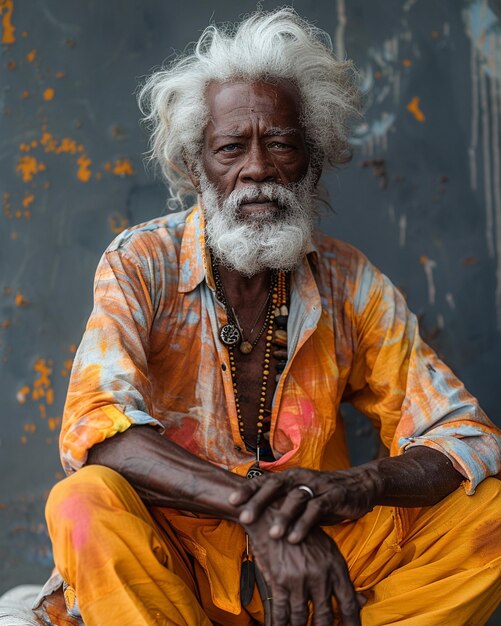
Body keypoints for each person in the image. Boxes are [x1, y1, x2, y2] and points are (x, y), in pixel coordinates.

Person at [43, 8, 501, 626]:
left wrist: (356, 485)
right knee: (83, 501)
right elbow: (98, 430)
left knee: (492, 507)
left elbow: (465, 436)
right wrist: (254, 510)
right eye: (231, 147)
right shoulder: (141, 261)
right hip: (181, 557)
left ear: (313, 159)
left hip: (323, 552)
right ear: (194, 166)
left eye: (280, 143)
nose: (256, 169)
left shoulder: (351, 281)